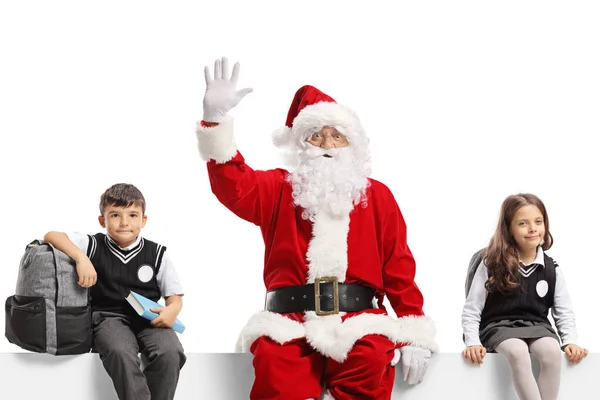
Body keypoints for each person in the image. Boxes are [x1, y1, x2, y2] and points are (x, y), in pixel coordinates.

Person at [194, 57, 438, 400]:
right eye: (316, 136)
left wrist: (414, 330)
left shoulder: (377, 196)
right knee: (274, 367)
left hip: (360, 321)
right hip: (289, 321)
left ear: (351, 145)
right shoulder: (279, 188)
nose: (326, 144)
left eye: (336, 136)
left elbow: (398, 266)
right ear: (300, 145)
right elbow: (234, 184)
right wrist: (215, 121)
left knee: (369, 360)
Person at [43, 183, 186, 400]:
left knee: (171, 352)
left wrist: (172, 310)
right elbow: (52, 235)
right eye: (115, 215)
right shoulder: (92, 244)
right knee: (120, 352)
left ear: (143, 220)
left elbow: (173, 297)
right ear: (103, 220)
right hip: (108, 317)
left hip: (149, 318)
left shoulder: (157, 253)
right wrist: (81, 258)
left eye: (132, 215)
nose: (124, 222)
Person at [462, 193, 587, 400]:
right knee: (518, 351)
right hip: (498, 326)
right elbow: (472, 307)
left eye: (538, 222)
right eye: (523, 223)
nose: (532, 229)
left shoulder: (551, 268)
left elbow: (563, 310)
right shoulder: (491, 263)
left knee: (551, 351)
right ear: (508, 229)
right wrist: (473, 342)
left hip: (537, 325)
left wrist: (570, 341)